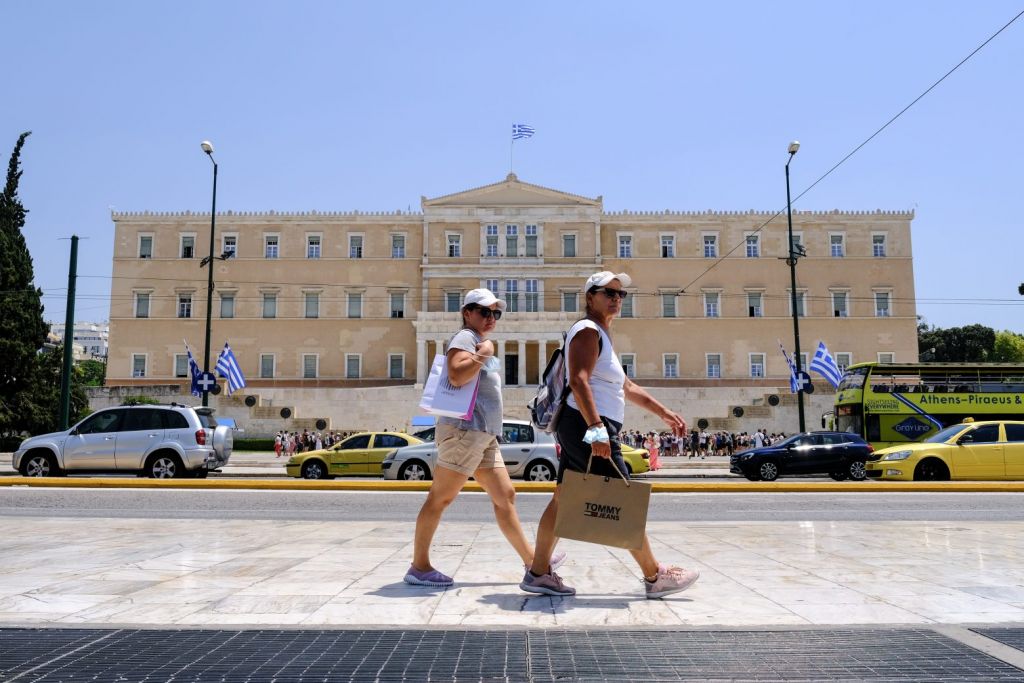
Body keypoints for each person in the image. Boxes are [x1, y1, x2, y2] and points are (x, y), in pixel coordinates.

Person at [522, 271, 700, 599]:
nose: (616, 299)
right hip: (589, 425)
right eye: (609, 293)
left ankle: (538, 572)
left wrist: (663, 412)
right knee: (621, 497)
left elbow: (626, 387)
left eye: (621, 295)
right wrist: (597, 429)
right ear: (590, 297)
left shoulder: (602, 335)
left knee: (562, 502)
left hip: (585, 425)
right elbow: (578, 380)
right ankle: (655, 575)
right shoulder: (588, 330)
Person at [405, 288, 565, 587]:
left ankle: (532, 561)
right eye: (484, 311)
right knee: (440, 498)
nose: (491, 317)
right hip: (465, 431)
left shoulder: (475, 340)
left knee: (505, 496)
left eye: (495, 313)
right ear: (467, 312)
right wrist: (484, 352)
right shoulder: (467, 338)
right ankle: (419, 566)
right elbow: (455, 375)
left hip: (483, 434)